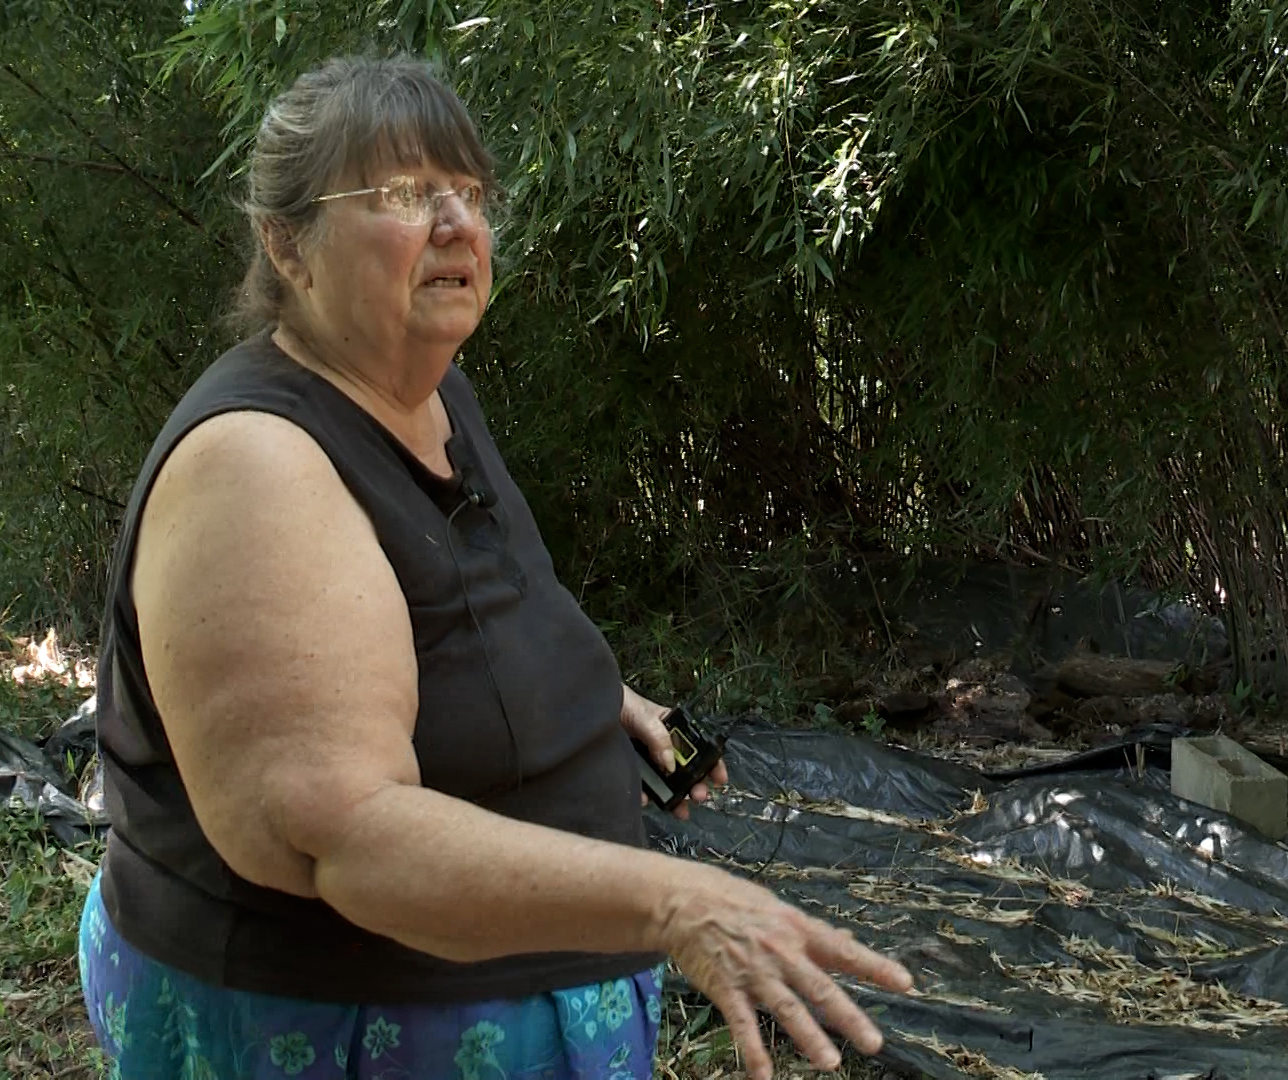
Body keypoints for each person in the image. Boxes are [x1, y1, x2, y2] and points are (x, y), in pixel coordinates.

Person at [80, 54, 911, 1080]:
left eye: (468, 195)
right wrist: (677, 904)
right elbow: (336, 835)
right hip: (336, 1027)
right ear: (284, 244)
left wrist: (599, 699)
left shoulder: (425, 389)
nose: (455, 224)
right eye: (399, 194)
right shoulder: (256, 469)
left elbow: (461, 609)